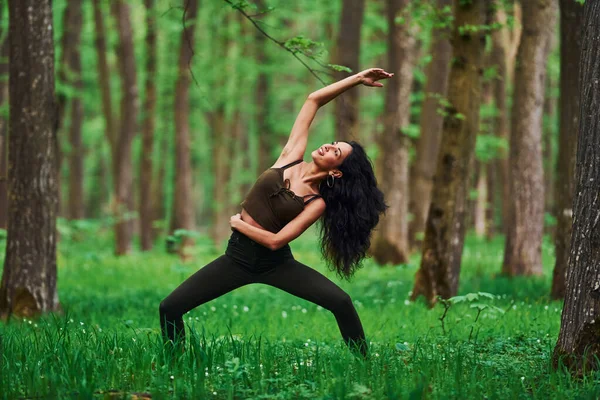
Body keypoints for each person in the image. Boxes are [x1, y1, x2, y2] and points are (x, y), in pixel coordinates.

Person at [159, 68, 392, 357]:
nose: (329, 145)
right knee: (169, 307)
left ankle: (365, 363)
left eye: (336, 152)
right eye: (333, 142)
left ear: (336, 171)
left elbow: (275, 241)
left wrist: (238, 223)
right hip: (238, 258)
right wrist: (357, 79)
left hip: (275, 264)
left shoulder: (316, 203)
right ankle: (175, 364)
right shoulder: (290, 157)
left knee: (341, 301)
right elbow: (313, 100)